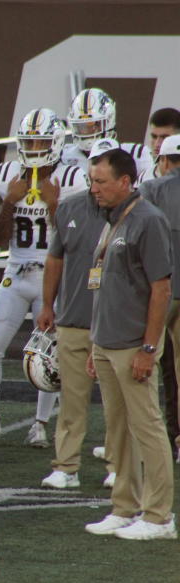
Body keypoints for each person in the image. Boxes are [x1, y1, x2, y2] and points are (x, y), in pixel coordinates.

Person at [0, 108, 87, 447]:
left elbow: (73, 238)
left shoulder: (72, 177)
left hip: (52, 276)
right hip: (15, 273)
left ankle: (40, 424)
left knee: (48, 354)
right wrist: (9, 203)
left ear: (56, 142)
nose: (33, 147)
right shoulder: (9, 176)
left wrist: (54, 205)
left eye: (41, 140)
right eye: (29, 140)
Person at [84, 148, 176, 541]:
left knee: (148, 427)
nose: (95, 189)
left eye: (101, 182)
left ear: (125, 181)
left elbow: (162, 289)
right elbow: (102, 282)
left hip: (132, 345)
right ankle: (124, 506)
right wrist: (94, 343)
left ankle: (159, 516)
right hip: (106, 342)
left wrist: (149, 348)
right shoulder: (112, 219)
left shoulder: (148, 221)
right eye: (92, 182)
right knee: (117, 429)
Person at [37, 144, 110, 490]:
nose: (97, 183)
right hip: (73, 318)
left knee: (120, 402)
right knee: (71, 401)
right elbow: (55, 260)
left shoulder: (138, 213)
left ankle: (118, 464)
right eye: (94, 174)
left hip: (115, 324)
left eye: (103, 176)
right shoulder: (69, 207)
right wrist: (48, 305)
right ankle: (66, 466)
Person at [139, 133, 180, 461]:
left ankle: (140, 445)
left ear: (164, 161)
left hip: (162, 289)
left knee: (142, 363)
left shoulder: (152, 189)